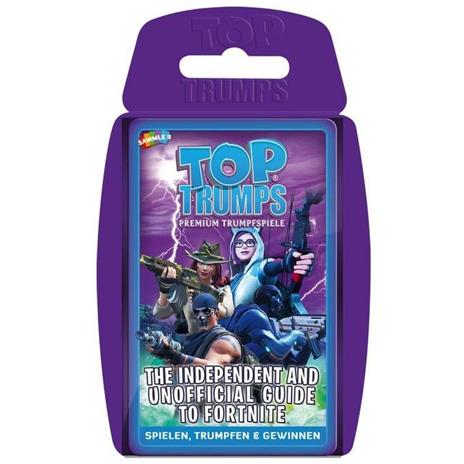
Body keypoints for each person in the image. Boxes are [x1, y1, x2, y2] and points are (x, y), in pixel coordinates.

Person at [153, 241, 234, 334]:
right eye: (201, 263)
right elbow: (160, 314)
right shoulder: (185, 288)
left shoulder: (223, 289)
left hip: (215, 335)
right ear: (196, 265)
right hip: (189, 337)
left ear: (216, 269)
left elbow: (228, 313)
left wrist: (203, 298)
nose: (205, 268)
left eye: (211, 265)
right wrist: (164, 288)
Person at [147, 293, 242, 366]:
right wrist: (163, 343)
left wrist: (173, 356)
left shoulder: (226, 341)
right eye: (197, 312)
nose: (201, 316)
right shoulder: (193, 339)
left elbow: (213, 370)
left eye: (206, 312)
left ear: (216, 315)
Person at [229, 227, 314, 306]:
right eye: (239, 243)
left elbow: (268, 268)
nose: (244, 246)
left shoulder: (258, 269)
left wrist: (284, 263)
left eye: (250, 242)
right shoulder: (236, 277)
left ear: (258, 246)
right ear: (234, 247)